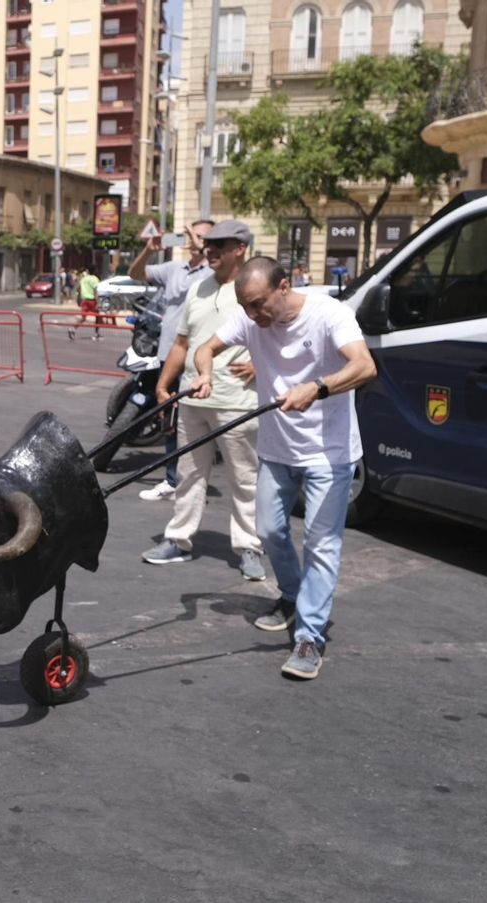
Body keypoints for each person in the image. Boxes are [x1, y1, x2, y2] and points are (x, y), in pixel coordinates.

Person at [189, 256, 378, 680]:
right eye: (246, 307)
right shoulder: (250, 319)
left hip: (328, 454)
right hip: (277, 449)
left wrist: (317, 387)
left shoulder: (331, 315)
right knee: (271, 531)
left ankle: (310, 637)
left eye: (258, 304)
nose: (253, 316)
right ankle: (293, 597)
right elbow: (205, 348)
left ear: (284, 286)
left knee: (321, 543)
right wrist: (204, 374)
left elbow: (365, 366)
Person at [141, 220, 264, 582]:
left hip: (237, 401)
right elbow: (182, 343)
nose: (208, 250)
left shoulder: (255, 288)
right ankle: (178, 540)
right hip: (193, 398)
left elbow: (280, 336)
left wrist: (261, 363)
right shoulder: (197, 289)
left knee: (244, 479)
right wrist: (164, 386)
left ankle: (249, 547)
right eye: (207, 244)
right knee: (189, 475)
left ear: (240, 248)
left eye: (218, 245)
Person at [129, 219, 214, 501]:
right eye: (189, 234)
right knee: (171, 419)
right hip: (169, 354)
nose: (191, 239)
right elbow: (136, 273)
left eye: (199, 236)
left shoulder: (214, 272)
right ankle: (172, 480)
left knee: (198, 423)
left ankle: (193, 484)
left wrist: (201, 244)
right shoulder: (174, 269)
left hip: (199, 359)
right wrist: (149, 251)